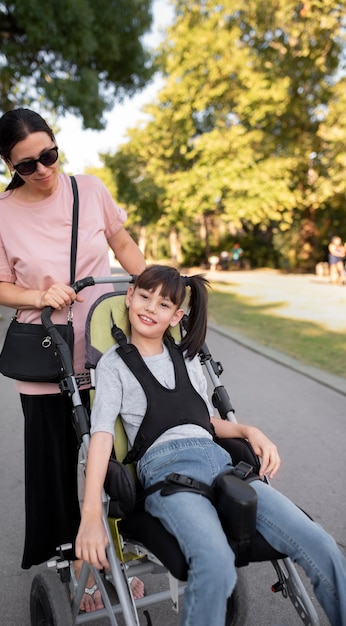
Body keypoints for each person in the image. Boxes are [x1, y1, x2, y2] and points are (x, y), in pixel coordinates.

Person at [76, 264, 346, 626]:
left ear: (176, 316)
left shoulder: (187, 359)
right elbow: (103, 436)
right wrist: (91, 513)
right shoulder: (113, 366)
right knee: (215, 564)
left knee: (323, 546)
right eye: (144, 296)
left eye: (163, 304)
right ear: (129, 297)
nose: (150, 308)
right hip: (168, 475)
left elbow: (205, 422)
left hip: (222, 466)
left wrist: (251, 431)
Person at [0, 107, 146, 611]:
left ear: (56, 146)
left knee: (116, 461)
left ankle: (119, 554)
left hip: (105, 347)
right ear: (9, 164)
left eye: (49, 155)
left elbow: (121, 243)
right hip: (45, 357)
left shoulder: (89, 189)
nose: (43, 169)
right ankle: (75, 561)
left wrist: (159, 281)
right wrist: (37, 297)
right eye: (28, 164)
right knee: (53, 468)